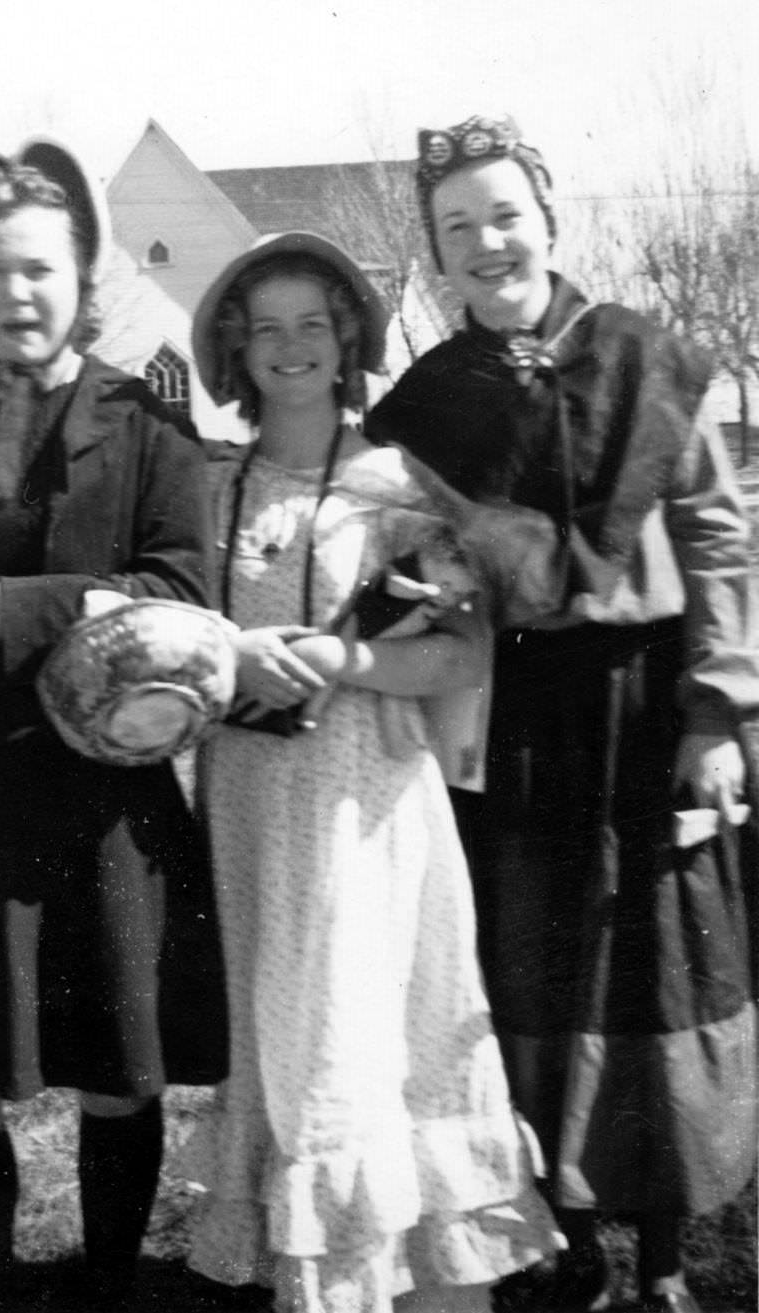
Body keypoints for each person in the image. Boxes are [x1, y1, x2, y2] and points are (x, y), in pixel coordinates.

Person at [367, 114, 759, 1313]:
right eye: (458, 228)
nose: (488, 243)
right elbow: (404, 559)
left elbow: (716, 536)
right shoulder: (425, 408)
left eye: (505, 215)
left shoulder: (649, 358)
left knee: (657, 984)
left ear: (551, 221)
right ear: (435, 257)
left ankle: (659, 1261)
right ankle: (573, 1245)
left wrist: (719, 708)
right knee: (532, 980)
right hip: (515, 717)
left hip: (649, 708)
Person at [0, 141, 227, 1313]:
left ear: (83, 275)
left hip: (104, 802)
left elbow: (180, 597)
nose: (18, 293)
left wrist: (1, 609)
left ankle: (110, 1287)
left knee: (117, 1076)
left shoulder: (149, 429)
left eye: (41, 269)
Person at [180, 231, 568, 1313]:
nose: (292, 345)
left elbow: (464, 650)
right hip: (251, 806)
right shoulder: (209, 488)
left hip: (369, 804)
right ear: (236, 347)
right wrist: (222, 658)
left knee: (363, 1031)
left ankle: (423, 1289)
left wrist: (348, 657)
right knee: (292, 1037)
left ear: (348, 333)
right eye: (267, 328)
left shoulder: (398, 481)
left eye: (314, 322)